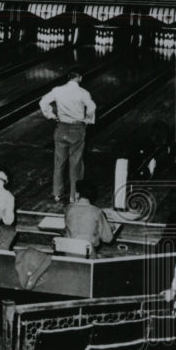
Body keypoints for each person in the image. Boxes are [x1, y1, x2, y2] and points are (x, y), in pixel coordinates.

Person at [39, 69, 96, 203]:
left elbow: (42, 102)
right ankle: (73, 195)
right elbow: (92, 107)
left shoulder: (57, 90)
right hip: (76, 129)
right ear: (80, 78)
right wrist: (87, 120)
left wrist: (51, 115)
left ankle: (57, 193)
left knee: (59, 162)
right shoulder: (83, 92)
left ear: (68, 78)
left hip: (61, 128)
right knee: (76, 163)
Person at [63, 181, 114, 251]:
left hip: (69, 251)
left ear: (77, 194)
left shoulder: (68, 208)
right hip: (88, 253)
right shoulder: (97, 211)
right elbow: (108, 238)